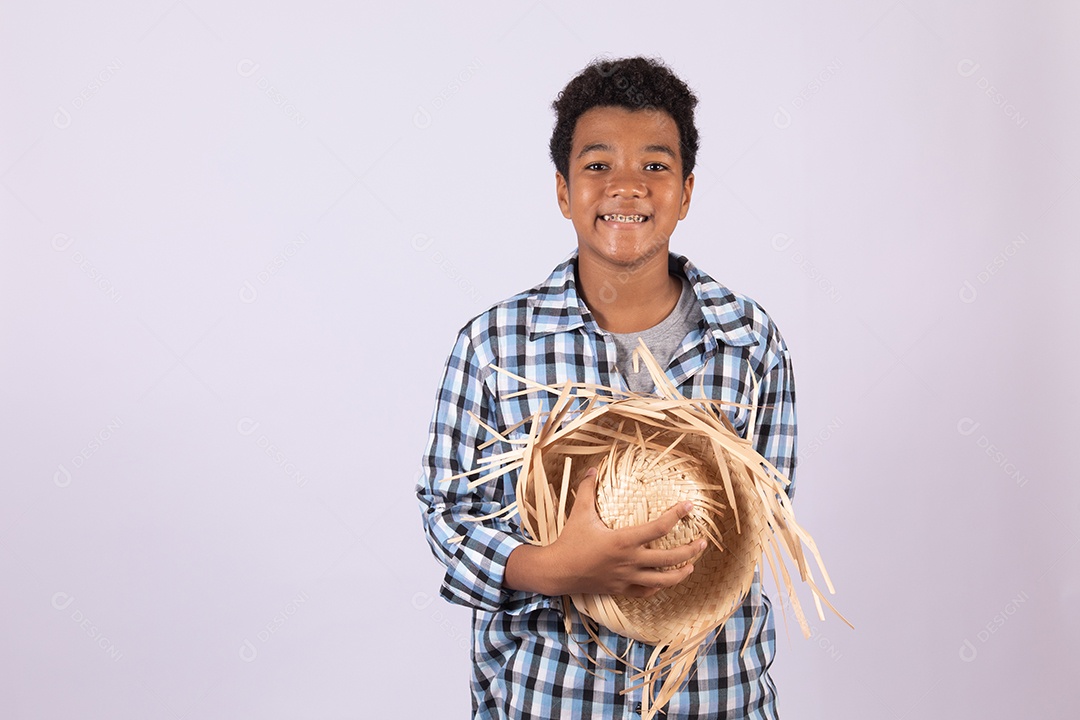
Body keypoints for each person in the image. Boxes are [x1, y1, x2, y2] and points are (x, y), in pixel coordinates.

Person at [416, 56, 797, 719]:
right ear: (563, 191)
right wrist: (552, 568)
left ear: (685, 190)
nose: (627, 187)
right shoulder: (497, 343)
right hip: (553, 698)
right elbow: (448, 516)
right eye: (598, 166)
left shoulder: (748, 339)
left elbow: (761, 516)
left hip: (713, 697)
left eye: (655, 166)